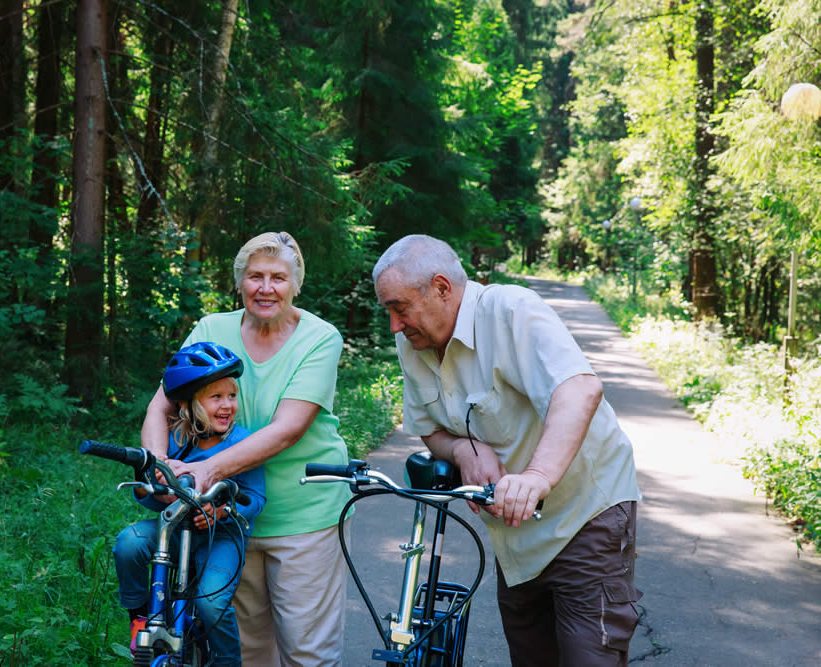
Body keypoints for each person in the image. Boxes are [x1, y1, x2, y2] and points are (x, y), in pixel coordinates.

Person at [372, 234, 642, 667]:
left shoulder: (511, 311)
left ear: (442, 288)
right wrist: (462, 450)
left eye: (399, 308)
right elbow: (429, 430)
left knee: (589, 658)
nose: (394, 326)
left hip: (583, 514)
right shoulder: (415, 343)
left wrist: (536, 478)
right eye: (388, 310)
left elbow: (581, 389)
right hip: (514, 534)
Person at [141, 231, 352, 666]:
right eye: (255, 276)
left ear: (296, 284)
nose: (266, 287)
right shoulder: (211, 329)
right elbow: (162, 404)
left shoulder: (320, 337)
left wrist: (206, 470)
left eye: (278, 277)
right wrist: (159, 466)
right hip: (225, 519)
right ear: (240, 282)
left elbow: (287, 430)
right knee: (249, 653)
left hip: (303, 514)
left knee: (307, 652)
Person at [114, 342, 266, 666]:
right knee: (129, 542)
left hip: (220, 536)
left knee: (210, 603)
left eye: (232, 396)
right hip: (173, 529)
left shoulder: (244, 444)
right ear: (189, 402)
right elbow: (155, 500)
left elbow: (255, 498)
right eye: (216, 397)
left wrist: (223, 510)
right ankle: (140, 617)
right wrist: (149, 490)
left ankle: (227, 661)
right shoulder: (174, 442)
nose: (227, 405)